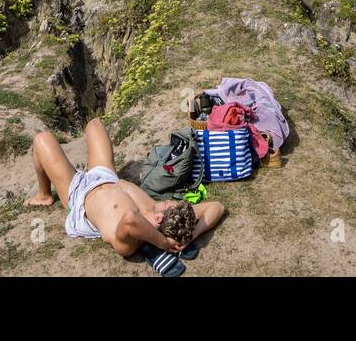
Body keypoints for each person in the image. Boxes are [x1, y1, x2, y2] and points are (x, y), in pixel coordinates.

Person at [27, 118, 226, 275]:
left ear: (159, 220)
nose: (170, 202)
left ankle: (44, 195)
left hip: (78, 195)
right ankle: (44, 193)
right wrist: (191, 237)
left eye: (169, 206)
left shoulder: (128, 242)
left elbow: (131, 220)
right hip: (106, 177)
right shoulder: (158, 209)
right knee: (94, 124)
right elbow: (217, 206)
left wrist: (163, 243)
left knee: (41, 139)